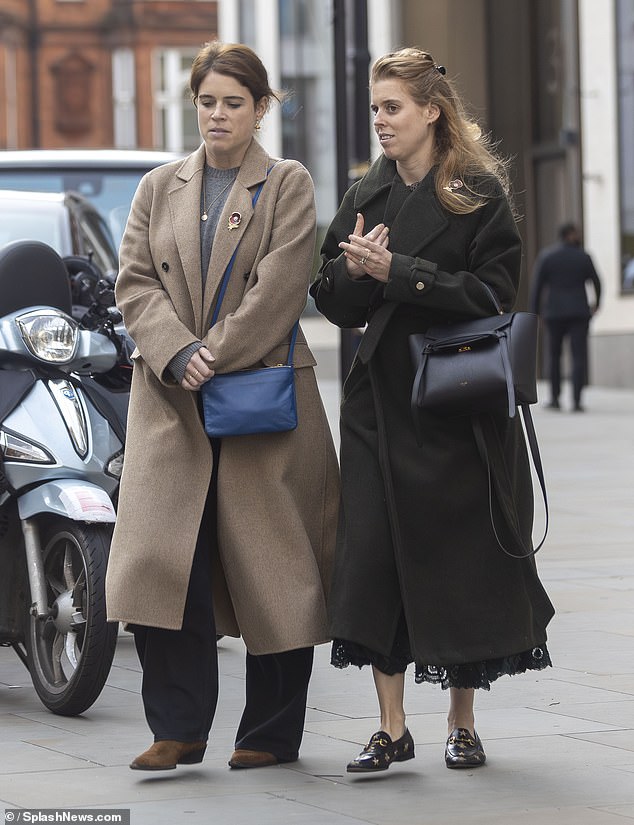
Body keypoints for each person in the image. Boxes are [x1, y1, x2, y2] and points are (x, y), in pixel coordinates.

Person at [310, 47, 554, 773]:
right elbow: (327, 294)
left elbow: (494, 296)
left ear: (431, 113)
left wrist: (402, 272)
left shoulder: (476, 193)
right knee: (375, 559)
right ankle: (391, 724)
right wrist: (354, 272)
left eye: (392, 108)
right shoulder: (365, 196)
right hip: (379, 405)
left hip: (457, 402)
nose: (380, 121)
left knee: (460, 560)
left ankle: (462, 721)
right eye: (376, 108)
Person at [105, 41, 339, 772]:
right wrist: (179, 350)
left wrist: (217, 351)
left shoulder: (287, 183)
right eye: (207, 101)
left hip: (260, 396)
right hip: (171, 398)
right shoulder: (157, 186)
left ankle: (268, 732)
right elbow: (133, 281)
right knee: (155, 562)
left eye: (233, 102)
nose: (217, 114)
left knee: (274, 570)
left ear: (260, 108)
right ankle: (176, 727)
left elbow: (281, 285)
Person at [530, 222, 601, 412]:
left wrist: (534, 313)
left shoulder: (547, 256)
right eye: (576, 233)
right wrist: (597, 304)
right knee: (578, 357)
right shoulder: (583, 257)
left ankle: (555, 398)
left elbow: (536, 287)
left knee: (553, 356)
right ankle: (577, 401)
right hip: (579, 312)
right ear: (570, 234)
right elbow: (596, 281)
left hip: (554, 313)